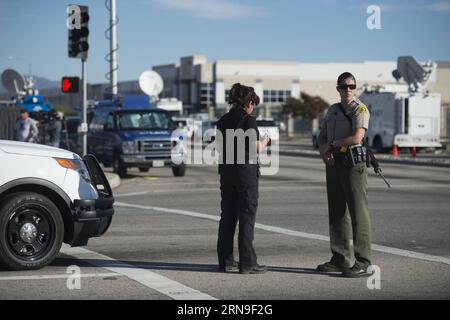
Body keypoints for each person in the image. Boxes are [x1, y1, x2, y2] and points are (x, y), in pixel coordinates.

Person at [317, 72, 373, 278]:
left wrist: (332, 145)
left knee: (358, 213)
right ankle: (340, 258)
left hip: (353, 164)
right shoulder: (332, 110)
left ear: (355, 88)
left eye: (351, 86)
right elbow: (322, 135)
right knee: (337, 212)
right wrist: (324, 151)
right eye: (343, 86)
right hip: (334, 164)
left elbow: (357, 137)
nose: (347, 90)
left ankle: (363, 261)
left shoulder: (360, 109)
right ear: (338, 88)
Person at [216, 83, 271, 274]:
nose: (252, 107)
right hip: (245, 174)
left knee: (227, 217)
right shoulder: (249, 121)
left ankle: (225, 261)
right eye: (252, 103)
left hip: (226, 173)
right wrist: (266, 140)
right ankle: (247, 262)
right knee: (246, 217)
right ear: (247, 102)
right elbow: (256, 147)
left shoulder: (222, 120)